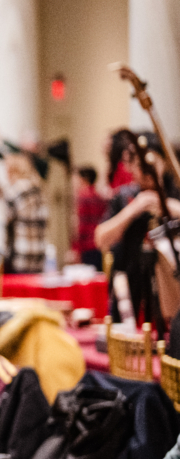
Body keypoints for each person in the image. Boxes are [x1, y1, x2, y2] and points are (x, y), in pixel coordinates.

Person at [94, 131, 180, 325]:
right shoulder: (125, 197)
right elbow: (100, 239)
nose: (140, 170)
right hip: (131, 291)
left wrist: (170, 206)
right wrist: (134, 208)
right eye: (136, 164)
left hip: (172, 293)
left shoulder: (175, 194)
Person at [5, 153, 49, 273]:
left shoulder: (14, 192)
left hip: (20, 255)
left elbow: (5, 220)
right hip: (39, 255)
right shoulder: (39, 192)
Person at [72, 166, 105, 269]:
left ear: (84, 179)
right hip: (98, 244)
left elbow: (80, 225)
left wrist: (75, 249)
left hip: (85, 246)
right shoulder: (99, 197)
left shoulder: (82, 196)